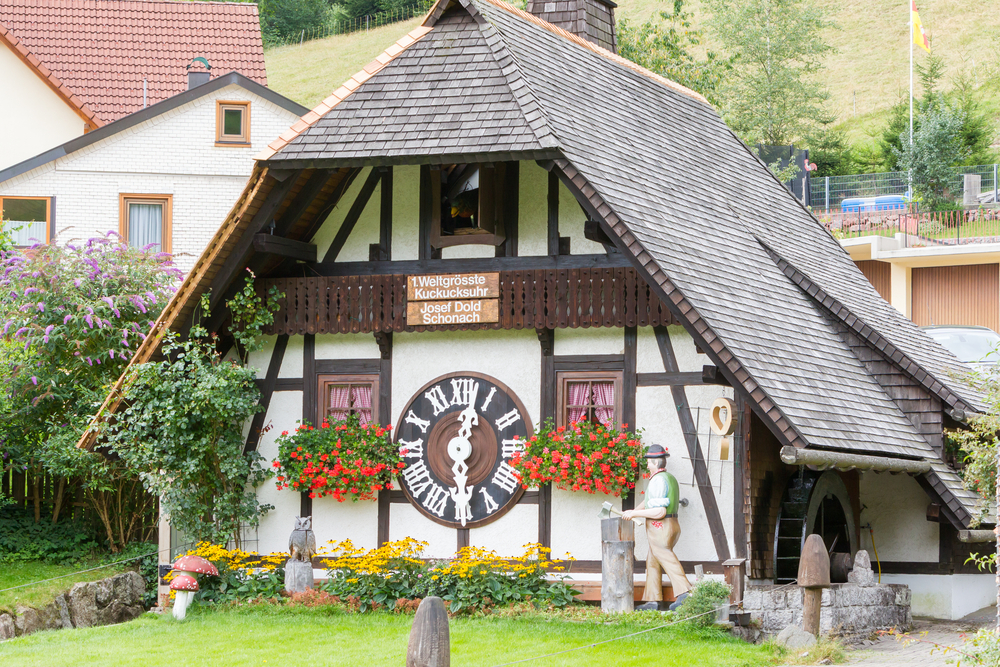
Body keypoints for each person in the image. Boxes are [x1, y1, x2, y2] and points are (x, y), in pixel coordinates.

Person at [622, 444, 692, 611]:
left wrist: (635, 514)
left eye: (649, 462)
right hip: (671, 524)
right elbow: (649, 503)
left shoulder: (658, 480)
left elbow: (659, 511)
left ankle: (686, 593)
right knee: (652, 562)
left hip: (660, 526)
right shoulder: (669, 478)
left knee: (666, 556)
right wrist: (632, 511)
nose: (646, 465)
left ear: (655, 462)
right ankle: (653, 600)